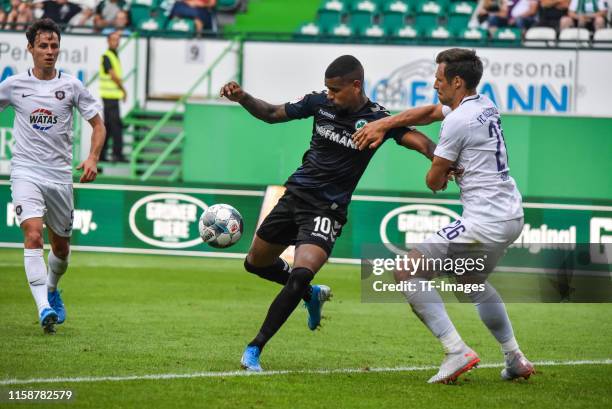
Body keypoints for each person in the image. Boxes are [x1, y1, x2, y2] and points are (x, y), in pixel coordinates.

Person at [220, 55, 439, 372]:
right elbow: (269, 113)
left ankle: (254, 349)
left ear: (356, 85)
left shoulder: (378, 120)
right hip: (294, 196)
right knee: (255, 264)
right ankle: (311, 295)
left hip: (328, 210)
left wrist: (440, 161)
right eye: (327, 89)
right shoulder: (317, 103)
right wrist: (242, 97)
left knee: (299, 274)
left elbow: (418, 140)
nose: (330, 95)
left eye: (335, 90)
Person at [353, 48, 534, 384]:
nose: (434, 85)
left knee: (406, 270)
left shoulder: (458, 121)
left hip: (484, 220)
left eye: (438, 79)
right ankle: (514, 358)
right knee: (470, 284)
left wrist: (443, 168)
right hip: (510, 214)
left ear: (457, 81)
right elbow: (429, 112)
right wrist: (385, 122)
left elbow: (434, 181)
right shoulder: (483, 106)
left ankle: (456, 350)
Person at [0, 18, 105, 334]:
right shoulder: (14, 86)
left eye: (54, 45)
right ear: (30, 48)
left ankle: (52, 288)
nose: (49, 51)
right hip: (25, 172)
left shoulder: (71, 86)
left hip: (60, 177)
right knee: (32, 234)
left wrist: (92, 157)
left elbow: (98, 125)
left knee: (61, 249)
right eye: (43, 46)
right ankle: (42, 306)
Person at [99, 30, 127, 163]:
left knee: (109, 127)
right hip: (109, 97)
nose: (117, 42)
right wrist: (123, 90)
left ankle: (101, 155)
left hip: (112, 96)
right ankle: (117, 154)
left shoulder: (114, 55)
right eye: (114, 39)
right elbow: (113, 75)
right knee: (116, 126)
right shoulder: (107, 56)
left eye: (118, 39)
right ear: (108, 41)